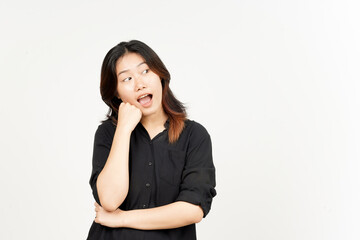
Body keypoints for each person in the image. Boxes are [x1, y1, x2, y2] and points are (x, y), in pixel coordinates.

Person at [86, 40, 216, 240]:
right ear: (116, 93)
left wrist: (122, 218)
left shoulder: (194, 136)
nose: (140, 84)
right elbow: (110, 200)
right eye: (127, 79)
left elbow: (192, 210)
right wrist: (123, 129)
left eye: (145, 71)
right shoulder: (108, 134)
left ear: (160, 75)